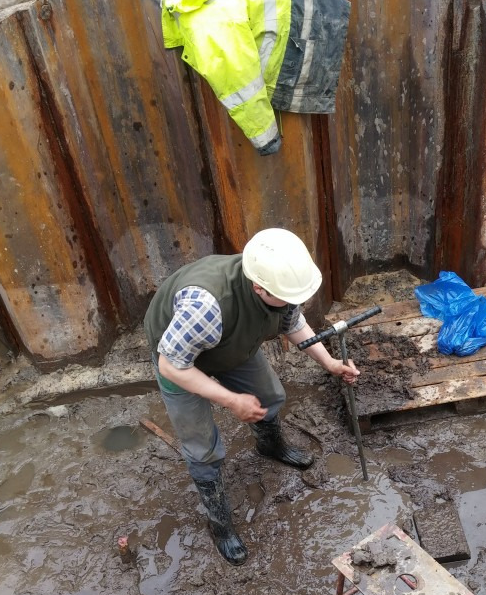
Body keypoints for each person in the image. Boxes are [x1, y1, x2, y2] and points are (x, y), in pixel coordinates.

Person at [144, 228, 359, 566]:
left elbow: (293, 323)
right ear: (258, 287)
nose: (293, 301)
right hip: (178, 359)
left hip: (229, 342)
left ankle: (270, 445)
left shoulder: (281, 287)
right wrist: (231, 400)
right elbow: (171, 366)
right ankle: (220, 525)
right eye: (287, 296)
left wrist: (330, 362)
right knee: (202, 447)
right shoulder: (207, 307)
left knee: (270, 395)